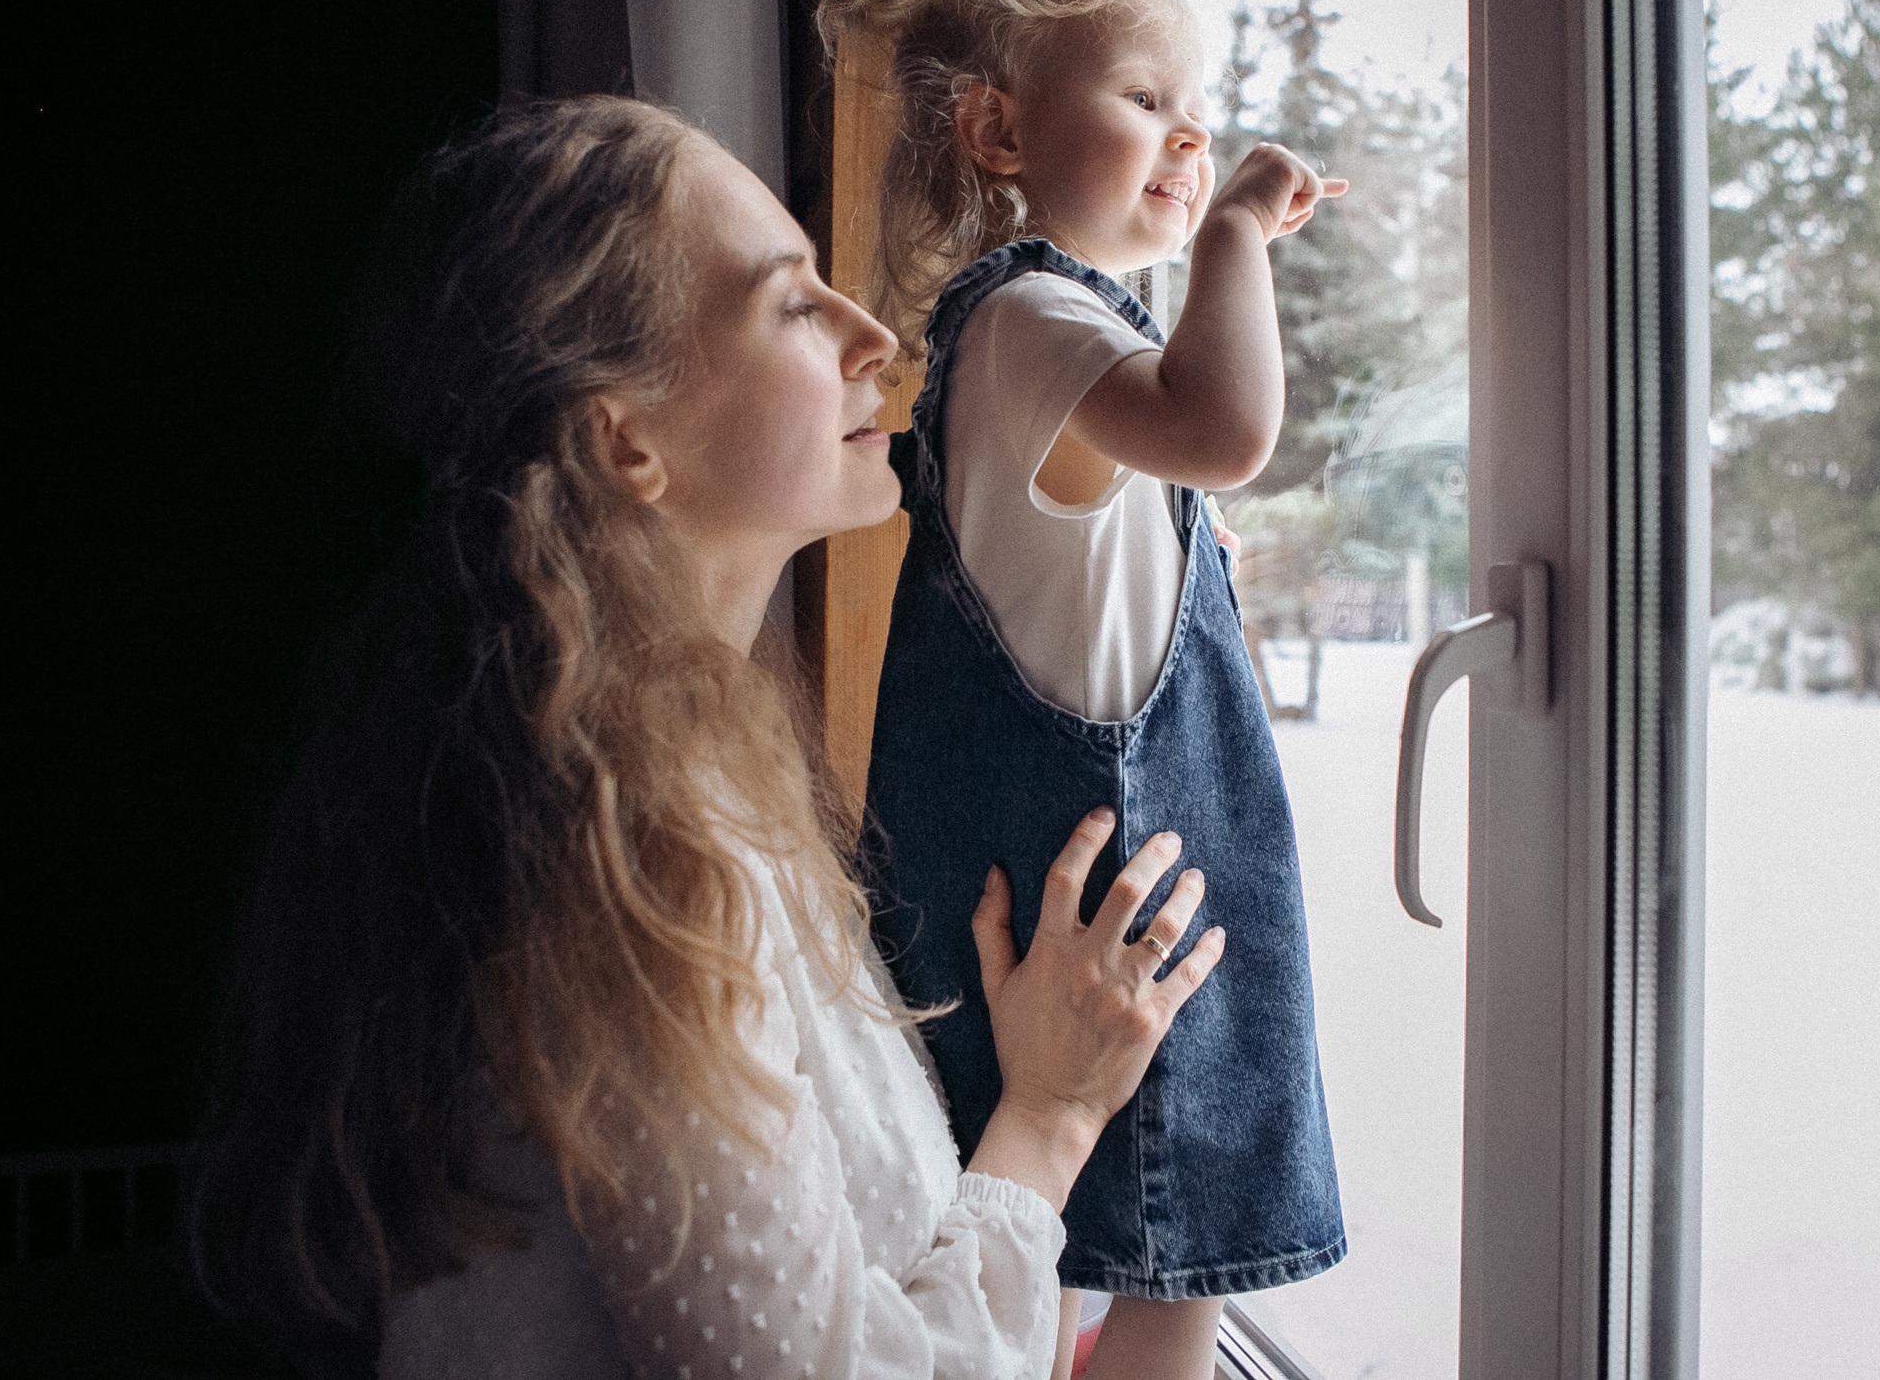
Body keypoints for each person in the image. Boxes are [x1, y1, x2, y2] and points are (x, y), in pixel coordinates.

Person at [188, 96, 1228, 1379]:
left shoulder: (674, 772)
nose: (871, 335)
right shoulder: (633, 861)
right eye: (793, 304)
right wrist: (1051, 1119)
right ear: (624, 441)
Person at [820, 0, 1348, 1380]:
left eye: (1199, 110)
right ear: (999, 132)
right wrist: (1238, 228)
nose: (1189, 139)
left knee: (1078, 1274)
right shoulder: (1037, 314)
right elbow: (1227, 427)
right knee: (1166, 1270)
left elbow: (1116, 522)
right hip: (1101, 906)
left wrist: (1180, 538)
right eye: (1143, 100)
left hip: (1085, 892)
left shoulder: (1025, 346)